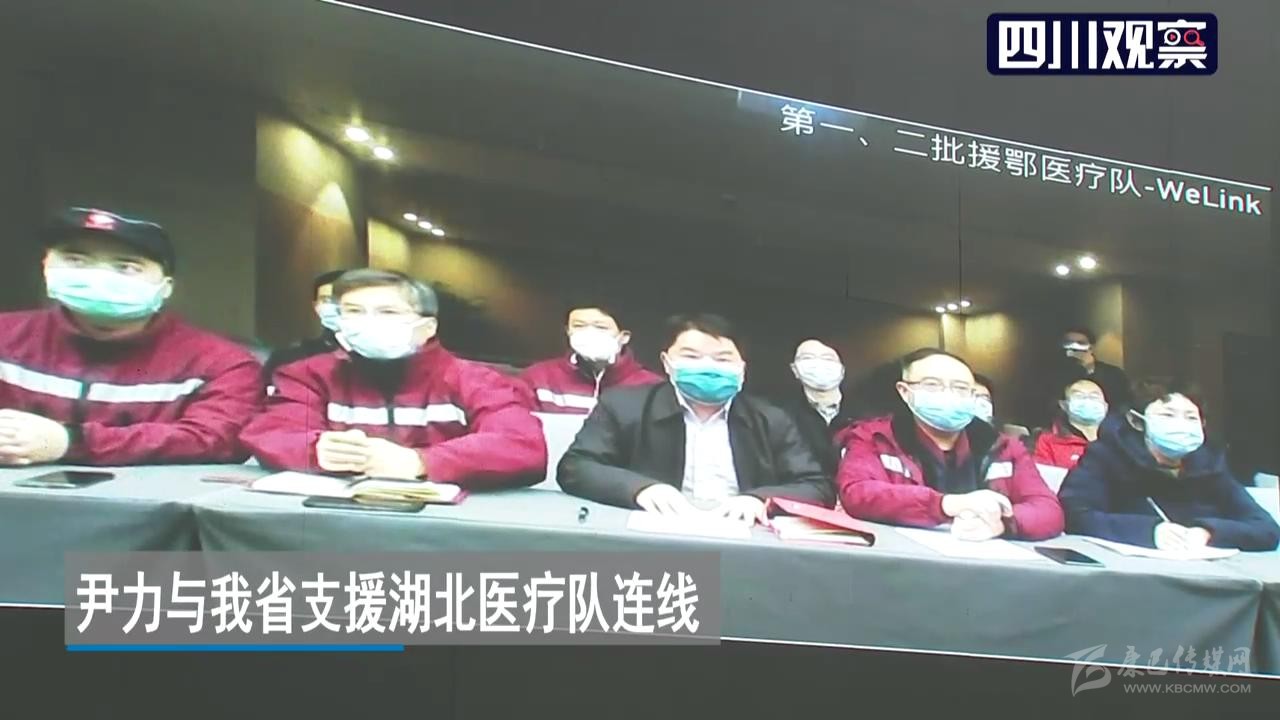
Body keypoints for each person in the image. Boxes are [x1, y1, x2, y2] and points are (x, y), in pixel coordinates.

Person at [0, 207, 262, 466]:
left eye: (126, 267)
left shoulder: (220, 363)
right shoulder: (6, 335)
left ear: (166, 286)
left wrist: (70, 441)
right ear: (46, 265)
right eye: (76, 260)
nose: (98, 277)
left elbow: (215, 438)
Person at [240, 269, 548, 488]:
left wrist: (421, 462)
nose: (367, 322)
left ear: (427, 327)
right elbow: (271, 431)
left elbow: (521, 445)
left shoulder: (475, 380)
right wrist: (316, 449)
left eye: (387, 312)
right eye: (354, 311)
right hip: (334, 517)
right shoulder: (308, 373)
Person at [557, 313, 834, 523]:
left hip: (744, 536)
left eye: (723, 359)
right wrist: (639, 489)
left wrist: (760, 499)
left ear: (741, 367)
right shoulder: (624, 405)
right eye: (691, 356)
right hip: (651, 530)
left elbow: (816, 486)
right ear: (667, 362)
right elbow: (576, 466)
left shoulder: (771, 418)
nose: (708, 367)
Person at [836, 348, 1064, 541]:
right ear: (904, 391)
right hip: (901, 558)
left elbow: (1048, 510)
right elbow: (857, 493)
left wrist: (1003, 522)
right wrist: (947, 504)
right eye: (932, 385)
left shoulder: (1004, 446)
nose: (948, 394)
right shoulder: (873, 437)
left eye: (961, 388)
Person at [1059, 378, 1279, 551]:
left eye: (1191, 417)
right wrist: (1149, 532)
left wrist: (1209, 531)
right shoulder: (1105, 457)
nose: (1181, 424)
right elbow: (1076, 516)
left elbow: (1266, 528)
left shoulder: (1211, 465)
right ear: (1137, 421)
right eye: (1168, 415)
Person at [519, 304, 661, 414]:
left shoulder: (651, 387)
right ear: (568, 331)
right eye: (579, 326)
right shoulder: (537, 378)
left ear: (623, 337)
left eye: (601, 327)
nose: (589, 333)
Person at [262, 269, 350, 387]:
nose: (336, 306)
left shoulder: (374, 362)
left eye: (342, 299)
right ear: (316, 306)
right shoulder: (288, 359)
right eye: (326, 300)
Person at [785, 339, 857, 477]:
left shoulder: (867, 415)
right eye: (808, 358)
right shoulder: (782, 418)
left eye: (828, 358)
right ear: (795, 369)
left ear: (842, 370)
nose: (818, 364)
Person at [1033, 378, 1108, 470]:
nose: (1087, 400)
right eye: (1079, 396)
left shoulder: (1119, 440)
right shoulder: (1048, 441)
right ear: (1064, 405)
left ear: (1106, 406)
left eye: (1094, 397)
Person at [1056, 326, 1132, 413]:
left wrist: (1088, 369)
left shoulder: (1114, 374)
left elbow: (1121, 402)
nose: (1074, 346)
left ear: (1091, 348)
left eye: (1081, 343)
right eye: (1068, 342)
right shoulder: (1054, 373)